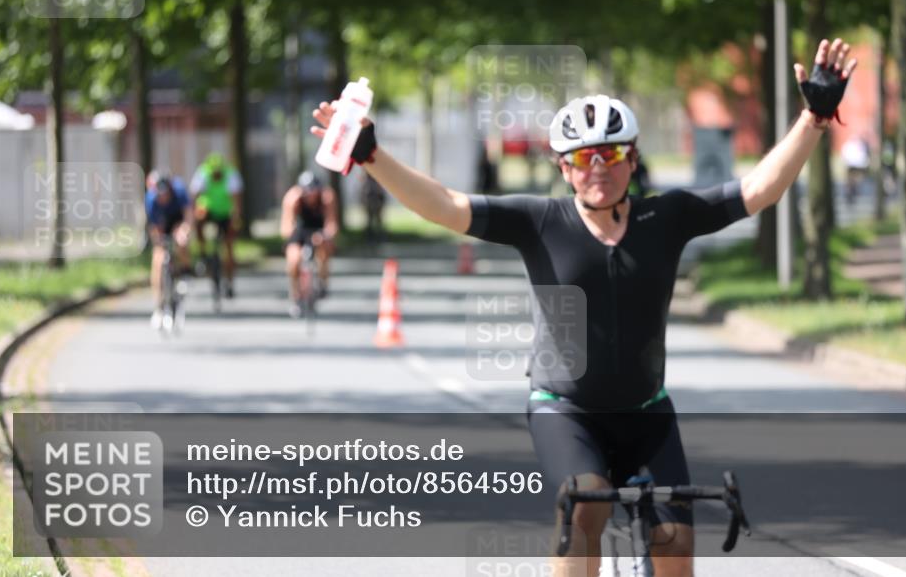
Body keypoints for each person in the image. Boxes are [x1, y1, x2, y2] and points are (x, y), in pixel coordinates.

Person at [310, 38, 856, 577]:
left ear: (633, 159)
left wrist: (813, 116)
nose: (600, 167)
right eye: (585, 158)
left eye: (613, 154)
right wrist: (372, 157)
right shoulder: (540, 222)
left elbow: (759, 189)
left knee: (676, 541)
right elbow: (445, 205)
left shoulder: (666, 218)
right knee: (584, 504)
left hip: (647, 411)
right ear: (565, 168)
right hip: (565, 410)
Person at [280, 170, 338, 317]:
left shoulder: (327, 197)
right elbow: (285, 227)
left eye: (314, 192)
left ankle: (322, 281)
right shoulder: (293, 198)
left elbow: (332, 224)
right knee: (293, 260)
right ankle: (295, 296)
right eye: (307, 192)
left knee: (325, 248)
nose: (311, 195)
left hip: (318, 229)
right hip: (299, 231)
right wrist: (292, 236)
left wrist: (326, 236)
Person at [189, 152, 243, 298]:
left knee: (229, 247)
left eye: (218, 173)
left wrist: (235, 218)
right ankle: (202, 253)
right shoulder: (203, 173)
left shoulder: (231, 175)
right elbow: (195, 194)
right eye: (214, 173)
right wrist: (194, 214)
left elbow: (236, 200)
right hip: (209, 211)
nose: (216, 176)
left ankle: (230, 282)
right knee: (198, 219)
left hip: (225, 213)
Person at [144, 169, 192, 329]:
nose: (163, 198)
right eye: (160, 195)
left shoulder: (179, 192)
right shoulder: (151, 199)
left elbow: (188, 217)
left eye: (165, 194)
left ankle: (184, 273)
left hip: (177, 220)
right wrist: (159, 243)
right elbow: (154, 227)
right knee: (158, 260)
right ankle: (158, 307)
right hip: (162, 224)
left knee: (182, 242)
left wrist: (184, 231)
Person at [841, 130, 871, 204]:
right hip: (855, 165)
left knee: (853, 181)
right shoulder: (859, 144)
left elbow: (844, 154)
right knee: (854, 181)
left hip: (854, 165)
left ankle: (851, 192)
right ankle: (851, 192)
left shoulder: (853, 144)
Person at [360, 170, 386, 245]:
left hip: (376, 203)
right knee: (370, 222)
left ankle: (380, 238)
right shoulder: (367, 182)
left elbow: (381, 195)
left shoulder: (377, 181)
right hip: (370, 203)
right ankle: (370, 239)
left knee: (378, 222)